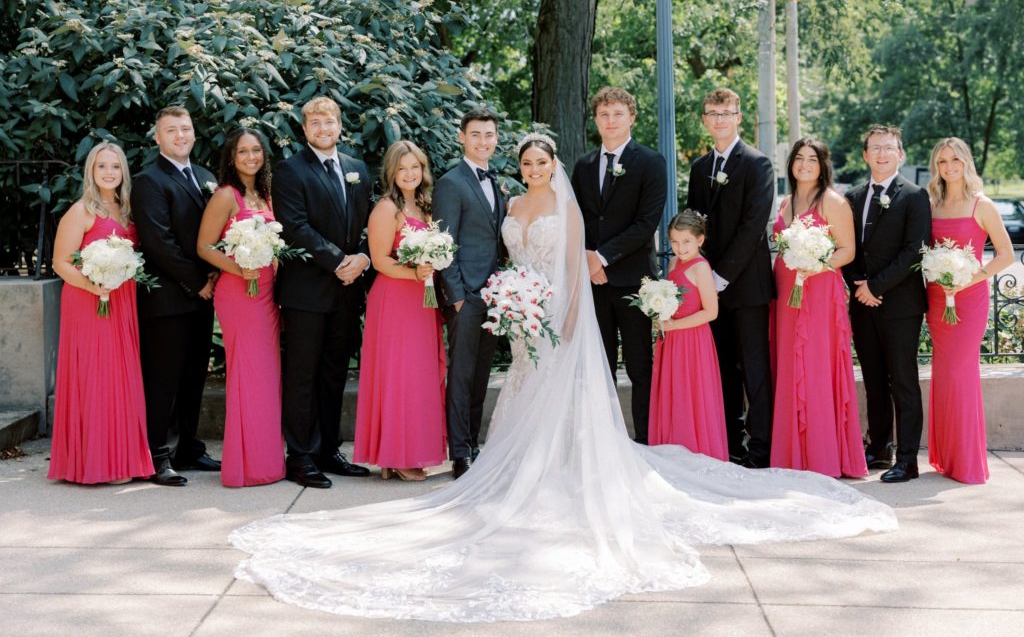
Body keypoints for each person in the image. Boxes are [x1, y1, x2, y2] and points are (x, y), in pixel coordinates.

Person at [231, 132, 897, 623]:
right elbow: (503, 255)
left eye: (540, 160)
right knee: (525, 390)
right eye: (525, 162)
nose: (533, 168)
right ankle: (525, 465)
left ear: (553, 163)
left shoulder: (566, 206)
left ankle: (566, 465)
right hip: (524, 316)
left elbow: (575, 269)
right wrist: (515, 304)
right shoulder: (511, 205)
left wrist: (570, 314)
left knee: (563, 394)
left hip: (559, 314)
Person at [272, 96, 373, 488]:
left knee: (334, 373)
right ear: (304, 129)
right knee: (302, 374)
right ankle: (300, 456)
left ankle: (329, 449)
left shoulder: (357, 169)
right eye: (313, 122)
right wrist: (338, 263)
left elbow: (367, 226)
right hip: (307, 292)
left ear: (339, 125)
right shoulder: (290, 171)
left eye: (328, 120)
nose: (322, 127)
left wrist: (362, 258)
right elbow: (295, 226)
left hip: (348, 292)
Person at [48, 142, 154, 485]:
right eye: (101, 167)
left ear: (123, 171)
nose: (109, 173)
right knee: (96, 376)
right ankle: (92, 462)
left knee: (120, 377)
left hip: (121, 301)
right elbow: (60, 262)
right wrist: (94, 287)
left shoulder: (126, 210)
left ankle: (121, 459)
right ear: (90, 172)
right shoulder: (81, 211)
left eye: (115, 167)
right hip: (88, 300)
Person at [571, 87, 667, 444]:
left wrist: (602, 257)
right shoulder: (582, 166)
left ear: (632, 118)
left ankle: (644, 441)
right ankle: (604, 444)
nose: (610, 121)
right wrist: (588, 260)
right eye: (604, 115)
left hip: (634, 281)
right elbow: (576, 218)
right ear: (596, 120)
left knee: (641, 366)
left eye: (617, 114)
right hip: (592, 282)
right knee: (599, 365)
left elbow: (646, 223)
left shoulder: (651, 162)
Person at [686, 88, 775, 468]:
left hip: (746, 286)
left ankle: (762, 447)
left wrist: (720, 277)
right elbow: (693, 224)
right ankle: (729, 443)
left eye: (727, 112)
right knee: (721, 368)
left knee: (754, 369)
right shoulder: (699, 167)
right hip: (710, 288)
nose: (719, 118)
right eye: (712, 112)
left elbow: (753, 225)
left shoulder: (758, 164)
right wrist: (700, 276)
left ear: (739, 117)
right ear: (705, 120)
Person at [132, 106, 220, 487]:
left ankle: (189, 447)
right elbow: (159, 243)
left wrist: (218, 271)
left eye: (185, 129)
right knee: (162, 380)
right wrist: (197, 281)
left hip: (203, 295)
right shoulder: (149, 181)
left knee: (193, 377)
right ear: (158, 138)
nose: (180, 135)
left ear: (194, 133)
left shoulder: (205, 177)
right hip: (167, 299)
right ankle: (157, 455)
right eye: (171, 130)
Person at [770, 138, 866, 478]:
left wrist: (816, 265)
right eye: (799, 158)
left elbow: (847, 251)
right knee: (789, 364)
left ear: (823, 165)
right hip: (786, 292)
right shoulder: (786, 202)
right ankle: (792, 454)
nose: (805, 164)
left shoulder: (833, 201)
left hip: (818, 290)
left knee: (813, 365)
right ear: (791, 164)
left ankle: (821, 455)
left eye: (813, 159)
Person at [197, 128, 286, 488]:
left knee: (267, 375)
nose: (251, 157)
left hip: (267, 293)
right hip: (239, 292)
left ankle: (266, 461)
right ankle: (244, 465)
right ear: (231, 158)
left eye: (256, 150)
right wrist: (239, 267)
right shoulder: (225, 195)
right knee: (248, 373)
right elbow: (204, 246)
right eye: (243, 152)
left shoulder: (265, 193)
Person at [353, 141, 447, 481]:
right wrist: (415, 273)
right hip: (394, 298)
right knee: (399, 375)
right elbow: (379, 261)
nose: (410, 174)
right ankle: (396, 454)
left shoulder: (425, 205)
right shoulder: (386, 208)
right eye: (403, 168)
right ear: (392, 173)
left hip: (422, 300)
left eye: (415, 167)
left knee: (420, 374)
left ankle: (407, 451)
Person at [843, 126, 931, 483]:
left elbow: (914, 251)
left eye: (888, 148)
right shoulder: (851, 196)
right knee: (874, 379)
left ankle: (907, 459)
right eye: (875, 148)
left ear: (901, 155)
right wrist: (858, 287)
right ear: (865, 155)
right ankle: (879, 448)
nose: (881, 154)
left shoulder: (914, 196)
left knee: (903, 380)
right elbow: (846, 248)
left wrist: (875, 287)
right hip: (862, 303)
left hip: (900, 306)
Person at [924, 137, 1013, 484]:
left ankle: (967, 463)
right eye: (942, 162)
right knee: (944, 376)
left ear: (966, 163)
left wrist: (969, 279)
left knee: (961, 375)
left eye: (955, 161)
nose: (949, 167)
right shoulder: (932, 203)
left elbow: (1005, 255)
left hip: (969, 299)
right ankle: (946, 458)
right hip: (936, 298)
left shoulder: (982, 204)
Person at [432, 109, 505, 479]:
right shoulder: (451, 183)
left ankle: (474, 444)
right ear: (462, 137)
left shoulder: (497, 182)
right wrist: (457, 296)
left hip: (494, 297)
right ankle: (459, 453)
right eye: (475, 134)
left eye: (489, 135)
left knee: (480, 376)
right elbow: (444, 243)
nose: (483, 141)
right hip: (465, 297)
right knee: (461, 376)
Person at [648, 210, 728, 460]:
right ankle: (672, 448)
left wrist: (673, 326)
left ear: (700, 240)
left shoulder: (701, 268)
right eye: (674, 241)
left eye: (686, 241)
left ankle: (695, 450)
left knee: (691, 396)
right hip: (671, 342)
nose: (679, 248)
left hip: (693, 342)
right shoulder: (673, 263)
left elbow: (711, 312)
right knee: (673, 395)